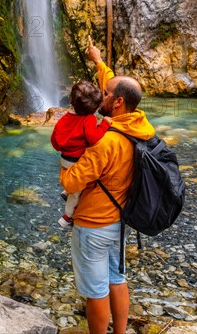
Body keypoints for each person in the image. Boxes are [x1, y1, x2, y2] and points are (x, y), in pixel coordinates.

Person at [59, 37, 155, 333]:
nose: (102, 95)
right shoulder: (139, 125)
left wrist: (64, 163)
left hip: (94, 225)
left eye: (106, 94)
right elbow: (114, 82)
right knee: (117, 278)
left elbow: (72, 180)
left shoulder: (106, 142)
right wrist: (98, 61)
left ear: (118, 102)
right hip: (120, 221)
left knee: (95, 290)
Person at [51, 81, 112, 228]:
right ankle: (67, 217)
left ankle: (66, 190)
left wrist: (65, 148)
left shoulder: (64, 118)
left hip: (65, 159)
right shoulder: (88, 119)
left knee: (70, 179)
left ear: (71, 100)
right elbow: (93, 138)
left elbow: (54, 140)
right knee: (77, 193)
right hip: (77, 160)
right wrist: (104, 124)